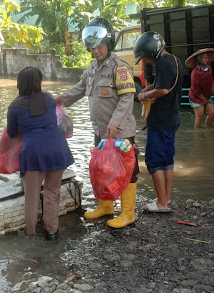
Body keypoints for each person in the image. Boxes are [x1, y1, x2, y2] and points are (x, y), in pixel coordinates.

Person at [56, 18, 139, 229]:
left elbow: (127, 98)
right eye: (92, 48)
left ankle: (127, 213)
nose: (96, 51)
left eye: (99, 47)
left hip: (120, 131)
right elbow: (78, 89)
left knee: (127, 171)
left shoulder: (119, 68)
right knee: (103, 168)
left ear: (108, 44)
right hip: (101, 131)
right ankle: (106, 207)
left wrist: (114, 123)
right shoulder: (92, 68)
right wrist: (57, 101)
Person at [7, 67, 74, 240]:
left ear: (19, 83)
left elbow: (12, 133)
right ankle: (51, 231)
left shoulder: (15, 106)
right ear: (39, 82)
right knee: (53, 192)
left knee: (32, 196)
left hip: (34, 153)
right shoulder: (49, 99)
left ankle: (31, 233)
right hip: (57, 148)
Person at [135, 31, 184, 212]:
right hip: (172, 118)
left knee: (154, 161)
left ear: (152, 52)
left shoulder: (162, 63)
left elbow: (163, 90)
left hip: (161, 120)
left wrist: (143, 95)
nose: (146, 61)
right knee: (166, 160)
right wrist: (150, 87)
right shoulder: (174, 60)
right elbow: (164, 84)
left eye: (146, 57)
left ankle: (162, 204)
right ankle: (166, 198)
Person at [185, 48, 214, 127]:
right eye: (204, 58)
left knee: (212, 113)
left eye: (207, 57)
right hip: (196, 96)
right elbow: (195, 88)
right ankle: (197, 135)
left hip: (206, 94)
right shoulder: (195, 72)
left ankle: (207, 129)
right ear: (199, 59)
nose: (206, 59)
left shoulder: (208, 68)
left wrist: (213, 88)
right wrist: (203, 99)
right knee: (199, 116)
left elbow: (211, 79)